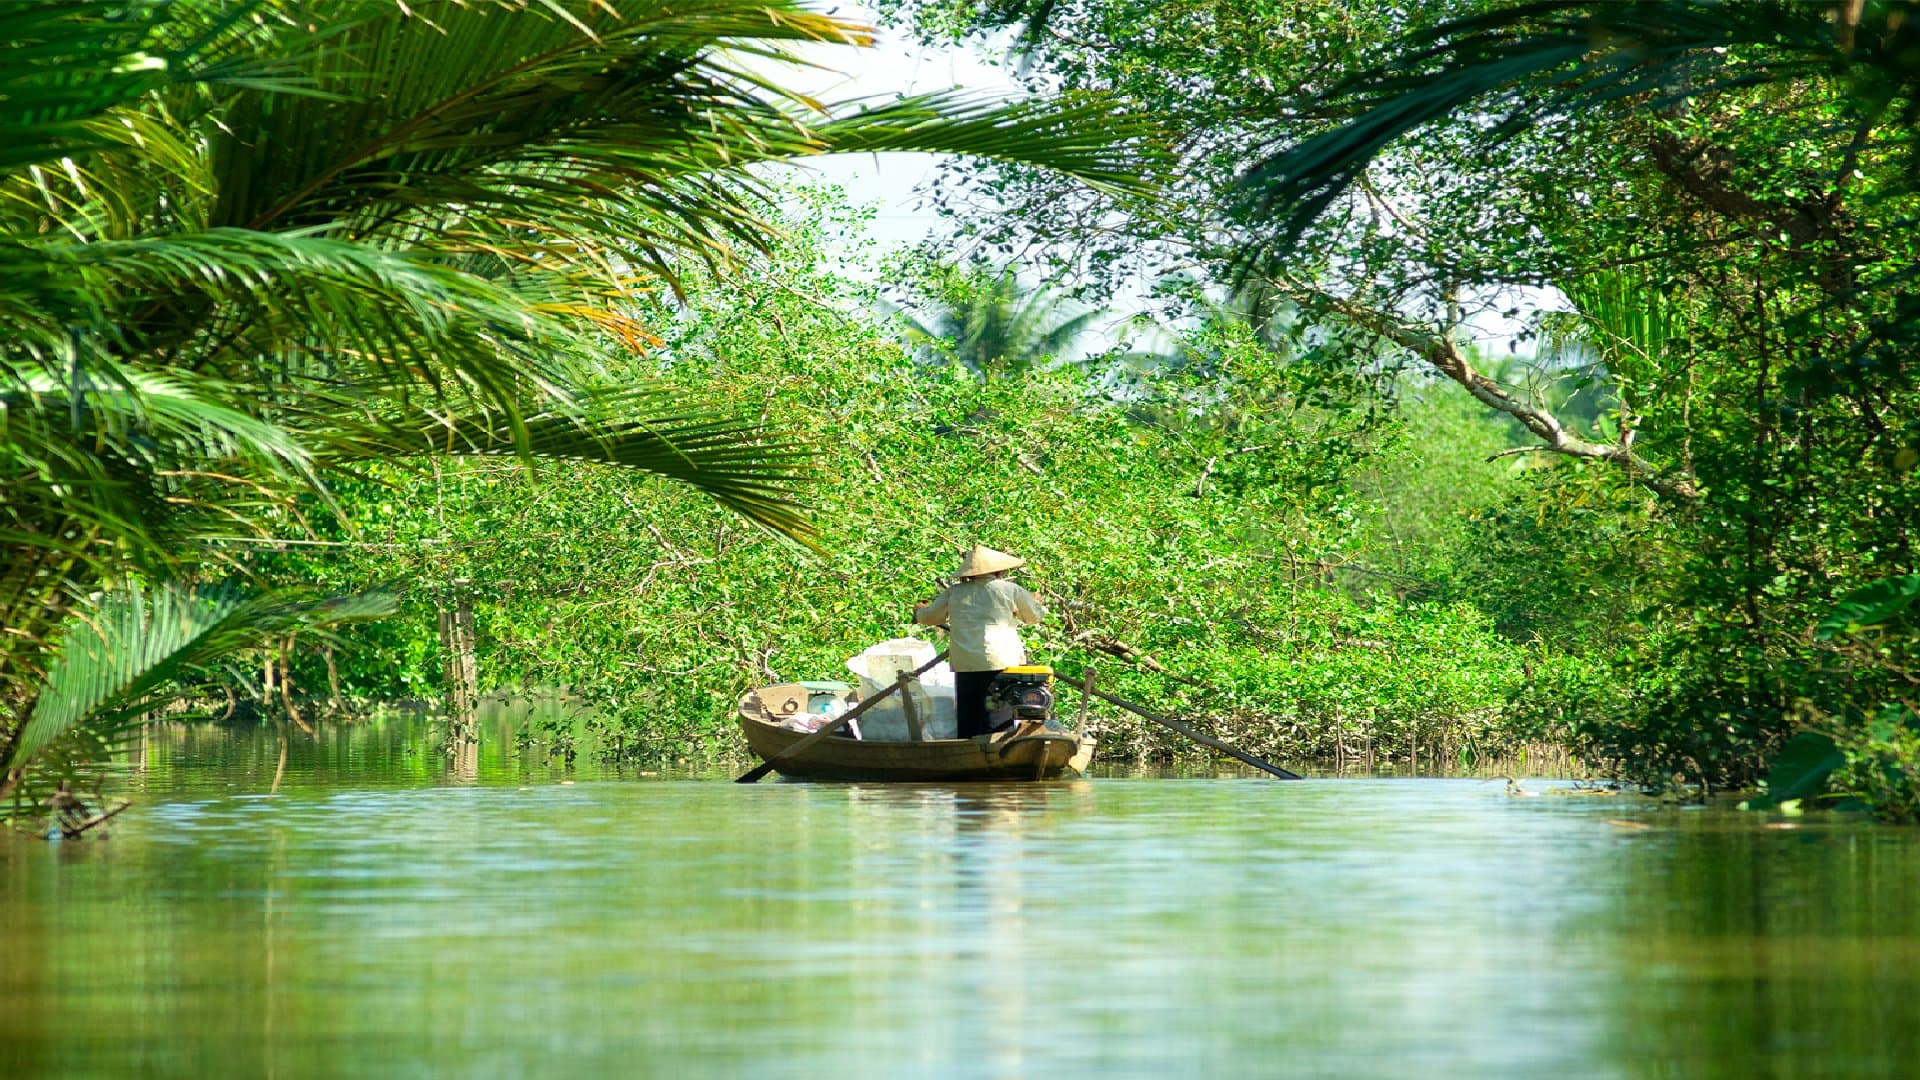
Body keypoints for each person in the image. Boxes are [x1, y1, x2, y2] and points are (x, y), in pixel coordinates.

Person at [914, 545, 1047, 738]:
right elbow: (1033, 616)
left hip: (966, 662)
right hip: (1001, 661)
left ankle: (967, 747)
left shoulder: (955, 592)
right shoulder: (1009, 589)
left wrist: (919, 611)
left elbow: (930, 617)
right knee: (997, 714)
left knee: (969, 714)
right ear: (999, 571)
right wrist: (1036, 603)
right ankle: (998, 748)